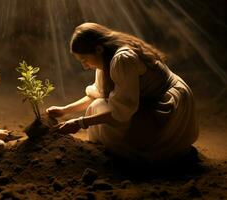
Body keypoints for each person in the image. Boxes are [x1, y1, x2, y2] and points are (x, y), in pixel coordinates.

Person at [46, 23, 198, 164]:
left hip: (167, 105)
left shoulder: (122, 59)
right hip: (148, 101)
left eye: (84, 59)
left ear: (98, 49)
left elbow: (122, 112)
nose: (84, 66)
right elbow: (97, 94)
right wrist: (64, 110)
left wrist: (80, 123)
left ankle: (155, 151)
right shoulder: (104, 60)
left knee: (101, 114)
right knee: (97, 105)